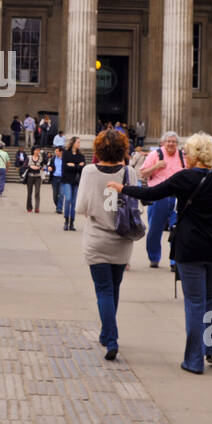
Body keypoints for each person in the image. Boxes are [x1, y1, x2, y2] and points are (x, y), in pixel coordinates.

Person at [111, 131, 212, 375]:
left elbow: (151, 194)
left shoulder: (185, 177)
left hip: (191, 247)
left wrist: (123, 188)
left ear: (193, 154)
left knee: (194, 302)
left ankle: (194, 360)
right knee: (210, 297)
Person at [77, 129, 139, 361]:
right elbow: (135, 203)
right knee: (114, 289)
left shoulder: (89, 171)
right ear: (123, 149)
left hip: (97, 239)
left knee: (103, 290)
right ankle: (106, 333)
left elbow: (81, 206)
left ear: (98, 149)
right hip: (122, 240)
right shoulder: (129, 172)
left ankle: (111, 338)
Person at [138, 131, 187, 268]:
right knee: (155, 229)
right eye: (168, 141)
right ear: (163, 143)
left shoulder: (183, 156)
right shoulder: (155, 155)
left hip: (177, 199)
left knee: (177, 229)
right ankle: (154, 258)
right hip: (158, 197)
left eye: (173, 141)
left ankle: (175, 261)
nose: (171, 144)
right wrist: (156, 166)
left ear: (177, 144)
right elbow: (142, 174)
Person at [61, 136, 86, 231]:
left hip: (76, 181)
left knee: (74, 202)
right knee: (68, 199)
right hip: (67, 180)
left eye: (79, 142)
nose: (79, 144)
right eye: (78, 142)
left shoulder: (81, 155)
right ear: (73, 143)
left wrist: (73, 165)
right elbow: (65, 167)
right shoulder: (66, 153)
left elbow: (83, 168)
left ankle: (72, 222)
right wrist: (77, 166)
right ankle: (66, 221)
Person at [25, 148, 44, 212]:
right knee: (29, 192)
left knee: (37, 192)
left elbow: (44, 166)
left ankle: (37, 207)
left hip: (38, 177)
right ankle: (29, 207)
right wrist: (30, 166)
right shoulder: (29, 157)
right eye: (36, 150)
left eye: (38, 150)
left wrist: (39, 167)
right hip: (30, 176)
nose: (37, 151)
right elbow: (24, 166)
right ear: (33, 151)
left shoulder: (41, 158)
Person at [49, 145, 65, 214]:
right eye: (55, 151)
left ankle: (59, 208)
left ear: (61, 152)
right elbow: (49, 166)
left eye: (56, 151)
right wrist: (49, 168)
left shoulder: (65, 159)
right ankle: (58, 205)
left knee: (61, 194)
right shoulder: (53, 158)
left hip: (62, 178)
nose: (55, 152)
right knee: (55, 195)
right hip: (54, 178)